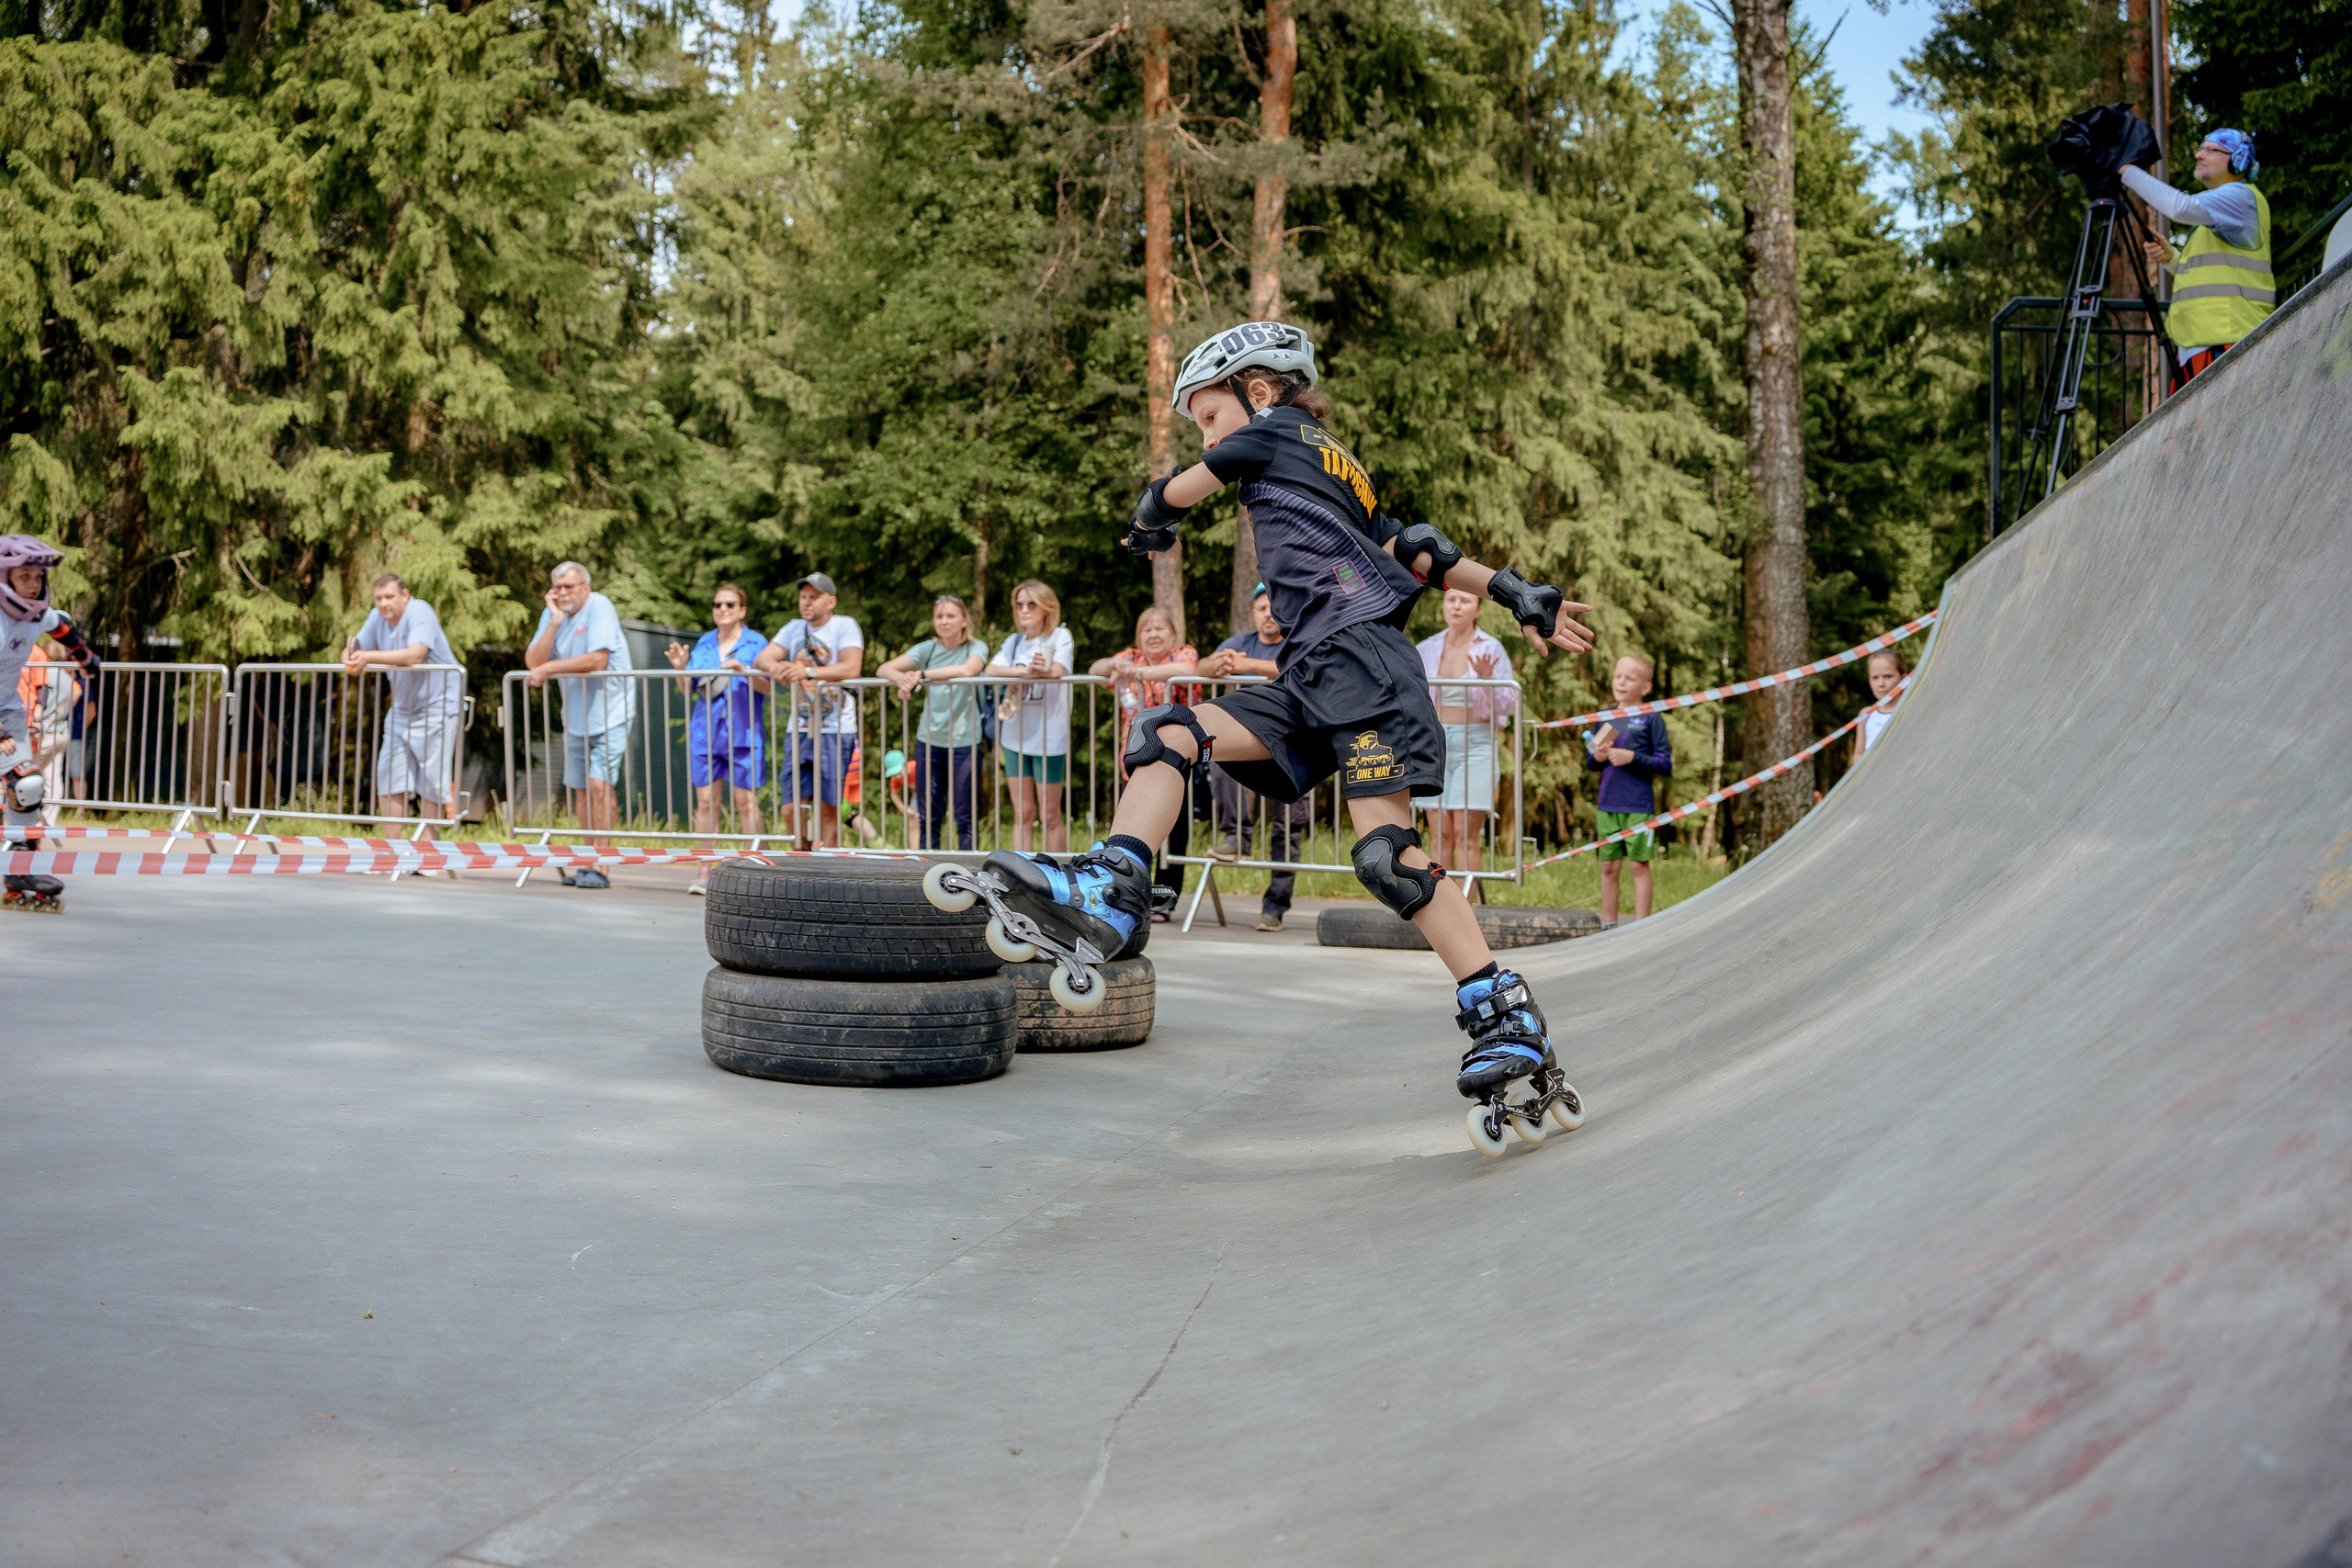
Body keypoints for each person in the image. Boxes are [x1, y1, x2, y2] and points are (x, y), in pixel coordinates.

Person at [965, 321, 1596, 1112]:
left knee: (1387, 857)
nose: (1208, 435)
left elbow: (1171, 492)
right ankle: (1116, 886)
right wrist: (1514, 589)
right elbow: (1418, 549)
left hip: (1362, 663)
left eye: (1209, 415)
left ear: (1257, 390)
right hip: (1308, 675)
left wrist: (1151, 519)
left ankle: (1504, 1011)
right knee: (1168, 731)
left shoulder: (1271, 431)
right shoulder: (1338, 465)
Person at [0, 536, 102, 913]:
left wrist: (84, 657)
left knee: (27, 786)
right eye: (24, 576)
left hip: (7, 709)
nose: (33, 584)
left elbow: (61, 628)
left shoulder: (35, 614)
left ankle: (20, 872)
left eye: (38, 576)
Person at [1198, 583, 1309, 931]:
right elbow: (1201, 667)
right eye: (1262, 608)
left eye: (1274, 607)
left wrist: (1248, 665)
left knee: (1288, 823)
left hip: (1294, 740)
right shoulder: (1240, 643)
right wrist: (1216, 664)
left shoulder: (1299, 639)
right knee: (1220, 764)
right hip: (1247, 736)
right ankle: (1235, 838)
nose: (1268, 614)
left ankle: (1275, 906)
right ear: (1254, 613)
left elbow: (1300, 667)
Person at [2126, 130, 2271, 383]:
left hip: (2227, 344)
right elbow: (2209, 275)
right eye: (2201, 148)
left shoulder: (2241, 196)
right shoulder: (2220, 217)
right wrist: (2171, 257)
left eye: (2210, 150)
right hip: (2204, 347)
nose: (2198, 155)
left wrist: (2126, 171)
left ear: (2238, 160)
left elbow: (2180, 207)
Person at [525, 561, 635, 889]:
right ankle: (587, 861)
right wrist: (554, 622)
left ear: (585, 588)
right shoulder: (553, 614)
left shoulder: (600, 605)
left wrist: (550, 668)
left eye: (569, 587)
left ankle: (602, 865)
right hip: (576, 719)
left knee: (600, 786)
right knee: (582, 791)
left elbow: (597, 659)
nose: (562, 593)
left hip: (611, 712)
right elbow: (533, 662)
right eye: (557, 587)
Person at [1091, 605, 1204, 916]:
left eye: (1160, 628)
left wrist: (1140, 674)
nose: (1153, 635)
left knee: (1174, 831)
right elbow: (1095, 669)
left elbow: (1186, 670)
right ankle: (1131, 894)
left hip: (1177, 757)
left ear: (1173, 634)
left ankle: (1164, 900)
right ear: (1138, 636)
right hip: (1137, 756)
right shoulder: (1131, 657)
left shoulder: (1183, 654)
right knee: (1135, 826)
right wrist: (1115, 664)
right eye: (1147, 629)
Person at [343, 573, 464, 850]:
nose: (383, 603)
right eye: (378, 598)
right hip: (402, 710)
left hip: (437, 707)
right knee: (389, 776)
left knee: (432, 781)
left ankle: (427, 850)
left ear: (405, 595)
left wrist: (367, 657)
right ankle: (392, 850)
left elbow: (414, 654)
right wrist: (350, 657)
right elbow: (355, 649)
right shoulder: (376, 618)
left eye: (389, 597)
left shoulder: (420, 611)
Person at [663, 583, 769, 894]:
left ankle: (756, 868)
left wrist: (745, 671)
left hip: (743, 731)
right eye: (717, 604)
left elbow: (769, 687)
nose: (722, 609)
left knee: (746, 802)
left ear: (742, 610)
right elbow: (688, 689)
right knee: (706, 802)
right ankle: (705, 869)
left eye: (730, 604)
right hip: (706, 732)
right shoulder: (705, 642)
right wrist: (681, 668)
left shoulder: (756, 642)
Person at [1414, 586, 1520, 880]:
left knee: (1465, 836)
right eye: (1451, 600)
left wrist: (1487, 679)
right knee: (1440, 836)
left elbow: (1507, 706)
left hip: (1475, 745)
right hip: (1435, 744)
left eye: (1465, 601)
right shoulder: (1427, 648)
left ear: (1478, 610)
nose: (1457, 606)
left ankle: (1466, 904)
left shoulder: (1491, 648)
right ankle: (1440, 902)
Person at [754, 572, 864, 849]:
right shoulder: (793, 628)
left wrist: (808, 671)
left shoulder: (844, 625)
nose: (806, 602)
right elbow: (762, 658)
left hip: (835, 728)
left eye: (814, 597)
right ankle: (801, 859)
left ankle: (828, 866)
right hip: (800, 727)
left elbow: (852, 667)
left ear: (831, 601)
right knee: (789, 808)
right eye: (803, 596)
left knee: (828, 807)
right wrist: (777, 668)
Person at [878, 595, 987, 851]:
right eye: (939, 616)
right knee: (928, 814)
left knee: (965, 814)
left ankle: (971, 868)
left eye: (951, 616)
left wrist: (921, 674)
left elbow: (967, 670)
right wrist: (903, 680)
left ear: (964, 620)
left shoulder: (976, 647)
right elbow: (884, 669)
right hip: (929, 740)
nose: (944, 621)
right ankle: (928, 866)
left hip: (964, 741)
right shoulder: (928, 649)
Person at [1582, 654, 1671, 931]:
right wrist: (1597, 756)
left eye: (1629, 678)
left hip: (1638, 805)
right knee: (1609, 866)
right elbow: (1591, 763)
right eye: (1618, 676)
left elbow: (1665, 764)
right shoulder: (1605, 718)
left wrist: (1632, 757)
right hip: (1607, 804)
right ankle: (1609, 926)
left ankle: (1641, 929)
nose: (1621, 682)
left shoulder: (1651, 717)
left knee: (1638, 866)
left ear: (1646, 687)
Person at [985, 581, 1074, 853]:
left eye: (1031, 604)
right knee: (1022, 812)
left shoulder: (1059, 636)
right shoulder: (1014, 642)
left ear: (1046, 607)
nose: (1024, 610)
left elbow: (1057, 670)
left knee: (1050, 814)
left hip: (1049, 736)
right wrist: (1025, 672)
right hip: (1015, 734)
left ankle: (1057, 872)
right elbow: (991, 670)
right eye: (1019, 604)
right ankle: (1020, 871)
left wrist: (1038, 671)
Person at [1850, 647, 1907, 762]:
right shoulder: (1866, 715)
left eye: (1888, 676)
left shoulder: (1910, 710)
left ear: (1903, 678)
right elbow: (1858, 754)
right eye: (1875, 678)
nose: (1881, 684)